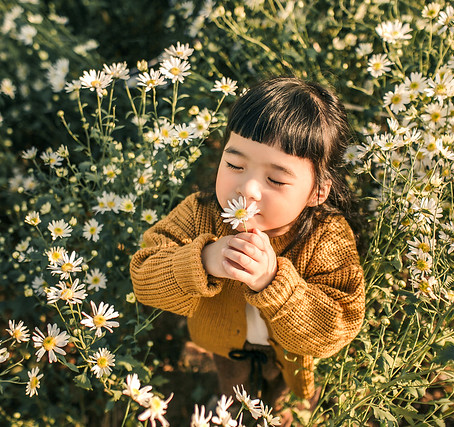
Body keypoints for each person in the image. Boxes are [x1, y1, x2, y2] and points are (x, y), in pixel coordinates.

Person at [130, 77, 365, 421]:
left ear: (319, 191)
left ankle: (285, 409)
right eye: (236, 165)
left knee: (288, 391)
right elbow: (144, 276)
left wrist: (273, 281)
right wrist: (204, 260)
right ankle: (232, 408)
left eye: (276, 180)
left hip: (293, 354)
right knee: (232, 382)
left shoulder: (326, 235)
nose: (249, 189)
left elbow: (337, 325)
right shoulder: (201, 214)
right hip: (224, 347)